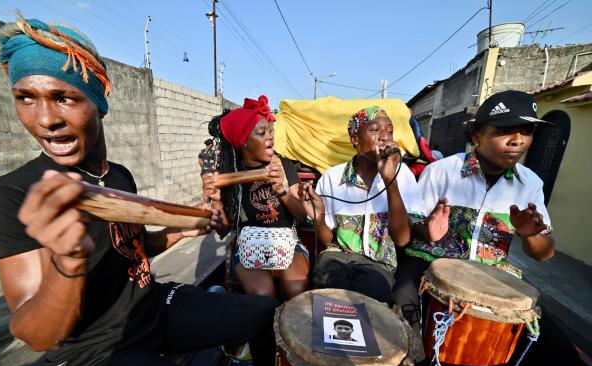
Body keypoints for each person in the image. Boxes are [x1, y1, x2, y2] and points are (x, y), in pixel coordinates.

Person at [0, 16, 278, 366]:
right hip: (100, 354)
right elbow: (36, 334)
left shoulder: (117, 177)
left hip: (152, 309)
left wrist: (188, 227)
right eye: (25, 98)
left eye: (64, 97)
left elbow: (134, 246)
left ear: (98, 100)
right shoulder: (7, 197)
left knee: (267, 313)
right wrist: (67, 263)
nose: (44, 119)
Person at [393, 90, 556, 330]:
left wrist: (531, 234)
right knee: (401, 299)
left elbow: (544, 254)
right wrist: (426, 231)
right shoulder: (442, 171)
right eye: (503, 132)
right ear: (477, 137)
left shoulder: (530, 184)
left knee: (552, 343)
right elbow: (407, 231)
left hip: (490, 272)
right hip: (429, 262)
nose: (518, 140)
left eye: (526, 132)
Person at [301, 106, 426, 304]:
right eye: (375, 130)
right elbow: (327, 240)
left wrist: (389, 181)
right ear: (355, 139)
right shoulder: (332, 178)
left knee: (369, 298)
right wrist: (318, 217)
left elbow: (402, 240)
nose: (385, 137)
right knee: (326, 293)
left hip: (378, 264)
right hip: (337, 257)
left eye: (390, 131)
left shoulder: (402, 175)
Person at [202, 96, 309, 301]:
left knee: (295, 289)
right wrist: (215, 200)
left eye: (270, 130)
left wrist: (282, 190)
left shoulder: (283, 165)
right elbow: (224, 231)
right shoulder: (228, 174)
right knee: (263, 296)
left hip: (287, 242)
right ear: (243, 143)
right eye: (261, 133)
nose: (270, 137)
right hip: (248, 247)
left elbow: (303, 215)